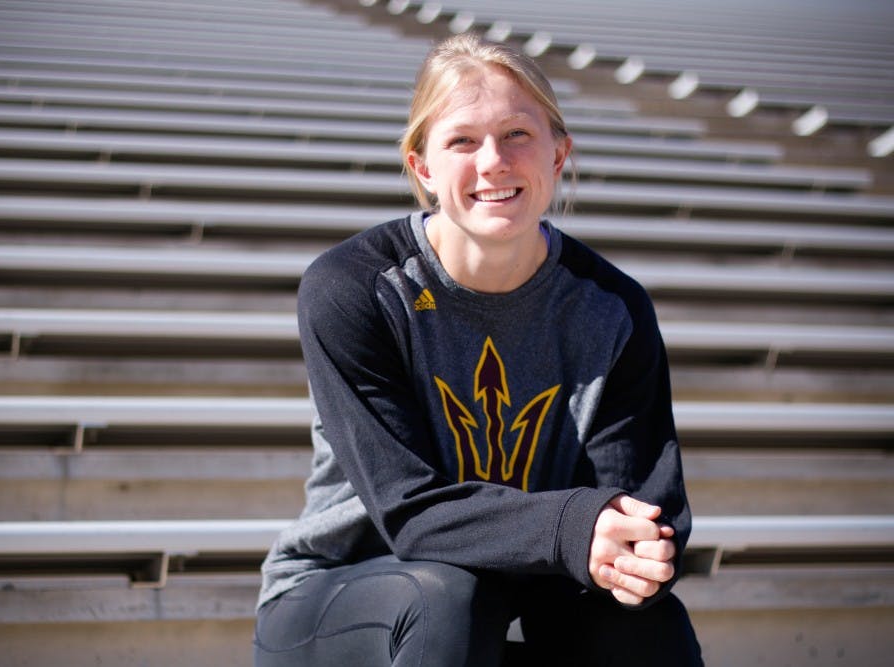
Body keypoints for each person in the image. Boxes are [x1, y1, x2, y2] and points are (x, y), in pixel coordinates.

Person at [253, 32, 703, 666]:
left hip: (526, 600)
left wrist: (641, 556)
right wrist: (575, 526)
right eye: (462, 140)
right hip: (351, 599)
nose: (493, 161)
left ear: (559, 153)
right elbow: (408, 513)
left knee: (643, 624)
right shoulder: (354, 288)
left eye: (518, 134)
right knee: (447, 596)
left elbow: (645, 507)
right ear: (423, 167)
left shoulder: (614, 309)